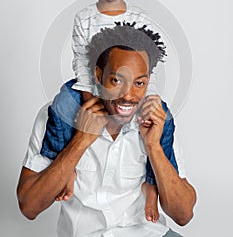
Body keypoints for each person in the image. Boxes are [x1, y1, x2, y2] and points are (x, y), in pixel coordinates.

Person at [39, 0, 176, 222]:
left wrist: (140, 91)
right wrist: (90, 98)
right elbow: (80, 60)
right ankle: (66, 170)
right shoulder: (84, 17)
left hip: (127, 89)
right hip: (94, 85)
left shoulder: (139, 16)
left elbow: (148, 58)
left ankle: (152, 184)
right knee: (62, 106)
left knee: (163, 117)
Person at [17, 23, 196, 237]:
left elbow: (183, 215)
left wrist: (153, 147)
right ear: (98, 74)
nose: (128, 95)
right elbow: (29, 206)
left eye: (139, 83)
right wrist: (81, 139)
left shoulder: (156, 121)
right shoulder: (60, 116)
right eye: (117, 80)